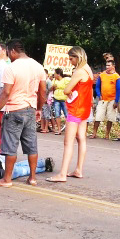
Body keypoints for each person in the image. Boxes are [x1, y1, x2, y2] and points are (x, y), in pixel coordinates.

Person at [0, 39, 46, 187]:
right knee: (31, 146)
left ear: (13, 50)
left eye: (8, 53)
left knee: (10, 146)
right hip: (30, 110)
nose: (8, 56)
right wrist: (39, 109)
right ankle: (32, 178)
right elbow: (42, 92)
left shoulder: (11, 68)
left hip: (14, 111)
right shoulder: (38, 66)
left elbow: (6, 92)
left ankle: (7, 179)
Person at [47, 46, 94, 182]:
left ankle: (62, 174)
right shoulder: (88, 70)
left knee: (68, 142)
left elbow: (67, 90)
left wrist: (70, 92)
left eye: (71, 58)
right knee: (81, 139)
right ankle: (78, 169)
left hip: (75, 108)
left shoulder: (79, 71)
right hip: (85, 108)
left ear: (77, 57)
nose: (70, 61)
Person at [90, 60, 120, 139]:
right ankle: (94, 133)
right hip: (103, 99)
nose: (107, 67)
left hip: (112, 99)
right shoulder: (102, 75)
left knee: (110, 118)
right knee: (98, 116)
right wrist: (99, 95)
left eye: (109, 65)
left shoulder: (116, 76)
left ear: (113, 66)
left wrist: (116, 101)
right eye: (106, 65)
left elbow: (118, 89)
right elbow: (97, 87)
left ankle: (107, 134)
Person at [51, 68, 70, 135]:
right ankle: (59, 129)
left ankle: (68, 129)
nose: (54, 75)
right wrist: (53, 87)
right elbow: (51, 88)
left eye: (55, 73)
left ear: (58, 74)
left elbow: (70, 86)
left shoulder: (66, 80)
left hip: (64, 99)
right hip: (56, 99)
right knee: (57, 114)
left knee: (67, 114)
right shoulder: (54, 80)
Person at [40, 69, 54, 133]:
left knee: (47, 115)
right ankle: (42, 127)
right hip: (42, 99)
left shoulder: (48, 81)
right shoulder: (42, 81)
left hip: (47, 100)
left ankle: (46, 128)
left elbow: (50, 91)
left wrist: (47, 99)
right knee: (42, 115)